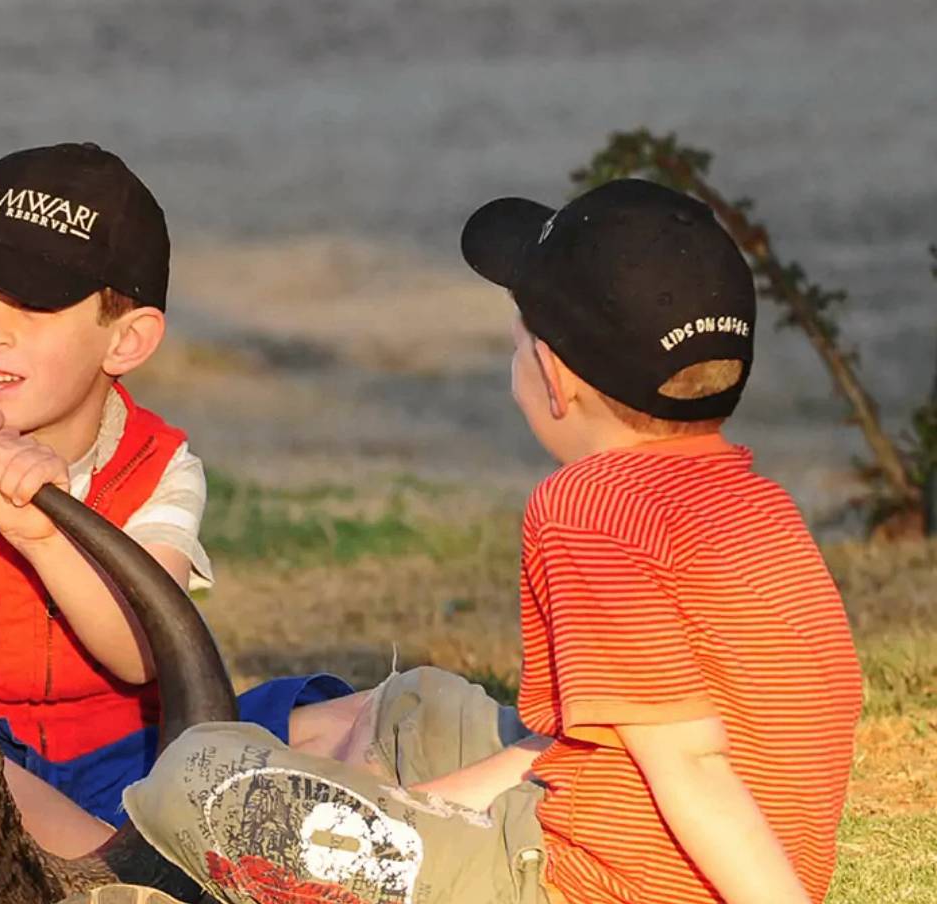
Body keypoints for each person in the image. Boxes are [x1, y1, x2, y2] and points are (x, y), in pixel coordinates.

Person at [123, 177, 865, 904]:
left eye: (519, 337)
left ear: (551, 376)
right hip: (669, 841)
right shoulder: (755, 500)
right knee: (415, 704)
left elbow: (691, 764)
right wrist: (429, 803)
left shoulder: (588, 506)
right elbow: (618, 742)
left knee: (195, 779)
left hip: (578, 882)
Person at [0, 143, 360, 855]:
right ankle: (132, 876)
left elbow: (148, 654)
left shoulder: (161, 463)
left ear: (128, 341)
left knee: (353, 718)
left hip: (139, 749)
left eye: (33, 304)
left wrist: (43, 533)